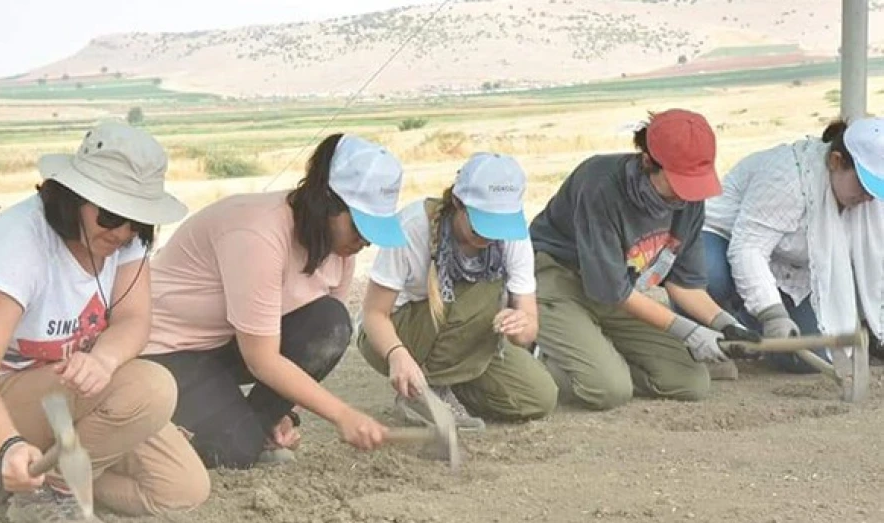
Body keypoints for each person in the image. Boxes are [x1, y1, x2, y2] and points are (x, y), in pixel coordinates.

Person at [0, 120, 210, 523]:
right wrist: (7, 443)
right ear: (73, 197)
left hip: (76, 391)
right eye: (113, 215)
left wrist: (104, 359)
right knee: (150, 388)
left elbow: (134, 319)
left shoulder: (123, 240)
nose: (125, 232)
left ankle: (33, 478)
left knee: (180, 490)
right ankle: (45, 489)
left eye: (139, 220)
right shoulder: (17, 244)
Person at [139, 133, 407, 469]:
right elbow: (262, 359)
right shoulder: (258, 232)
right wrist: (343, 415)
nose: (365, 240)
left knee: (331, 323)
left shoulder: (340, 248)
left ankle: (250, 430)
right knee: (235, 451)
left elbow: (314, 338)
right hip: (165, 351)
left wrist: (287, 413)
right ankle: (158, 426)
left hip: (227, 345)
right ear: (326, 202)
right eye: (359, 226)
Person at [528, 108, 761, 411]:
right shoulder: (600, 184)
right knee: (608, 391)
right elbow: (613, 291)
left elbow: (684, 284)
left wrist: (727, 325)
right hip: (558, 280)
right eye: (679, 181)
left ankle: (595, 356)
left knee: (691, 382)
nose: (685, 195)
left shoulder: (689, 199)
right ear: (648, 160)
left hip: (616, 291)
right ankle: (549, 352)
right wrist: (689, 332)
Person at [356, 152, 558, 430]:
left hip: (468, 338)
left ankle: (451, 388)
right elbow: (373, 314)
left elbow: (528, 328)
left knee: (538, 397)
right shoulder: (414, 226)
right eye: (481, 224)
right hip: (399, 334)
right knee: (476, 295)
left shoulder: (514, 236)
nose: (488, 238)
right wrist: (397, 356)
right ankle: (425, 393)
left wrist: (519, 326)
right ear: (457, 203)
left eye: (498, 226)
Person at [700, 116, 884, 374]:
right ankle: (703, 334)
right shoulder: (787, 179)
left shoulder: (869, 199)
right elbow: (748, 250)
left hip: (789, 266)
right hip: (724, 239)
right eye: (864, 185)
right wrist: (771, 313)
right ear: (836, 161)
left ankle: (744, 326)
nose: (868, 198)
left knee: (808, 359)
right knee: (709, 273)